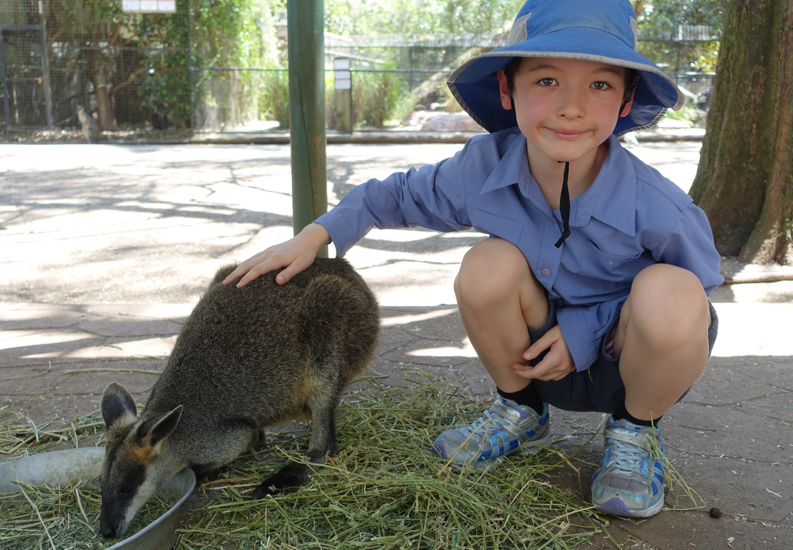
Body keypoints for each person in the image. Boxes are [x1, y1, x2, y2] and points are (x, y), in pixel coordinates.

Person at [223, 0, 722, 519]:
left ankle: (635, 433)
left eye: (600, 84)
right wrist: (312, 238)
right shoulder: (482, 167)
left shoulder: (658, 204)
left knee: (671, 290)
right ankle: (521, 409)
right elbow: (385, 196)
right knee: (487, 263)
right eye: (547, 81)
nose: (571, 106)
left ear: (625, 99)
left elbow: (695, 295)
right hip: (535, 360)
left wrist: (587, 331)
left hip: (630, 365)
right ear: (508, 90)